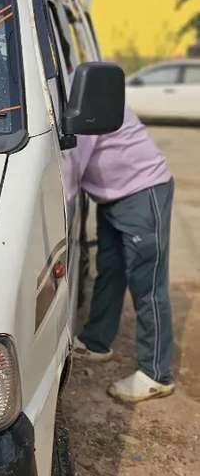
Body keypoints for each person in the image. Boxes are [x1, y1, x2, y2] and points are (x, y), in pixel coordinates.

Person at [73, 105, 174, 403]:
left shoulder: (82, 98)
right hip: (112, 196)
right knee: (111, 272)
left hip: (141, 191)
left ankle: (157, 373)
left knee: (148, 284)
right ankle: (96, 342)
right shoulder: (60, 90)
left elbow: (70, 164)